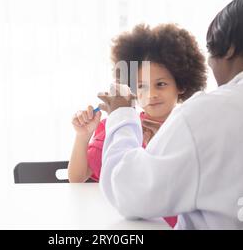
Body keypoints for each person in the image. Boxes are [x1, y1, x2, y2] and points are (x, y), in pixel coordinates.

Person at [97, 0, 243, 229]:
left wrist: (122, 115)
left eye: (211, 51)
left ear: (229, 49)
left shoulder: (204, 113)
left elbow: (128, 192)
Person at [68, 23, 207, 227]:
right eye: (141, 86)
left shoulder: (191, 129)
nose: (151, 94)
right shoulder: (119, 127)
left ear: (182, 85)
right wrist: (83, 135)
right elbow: (77, 177)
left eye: (161, 84)